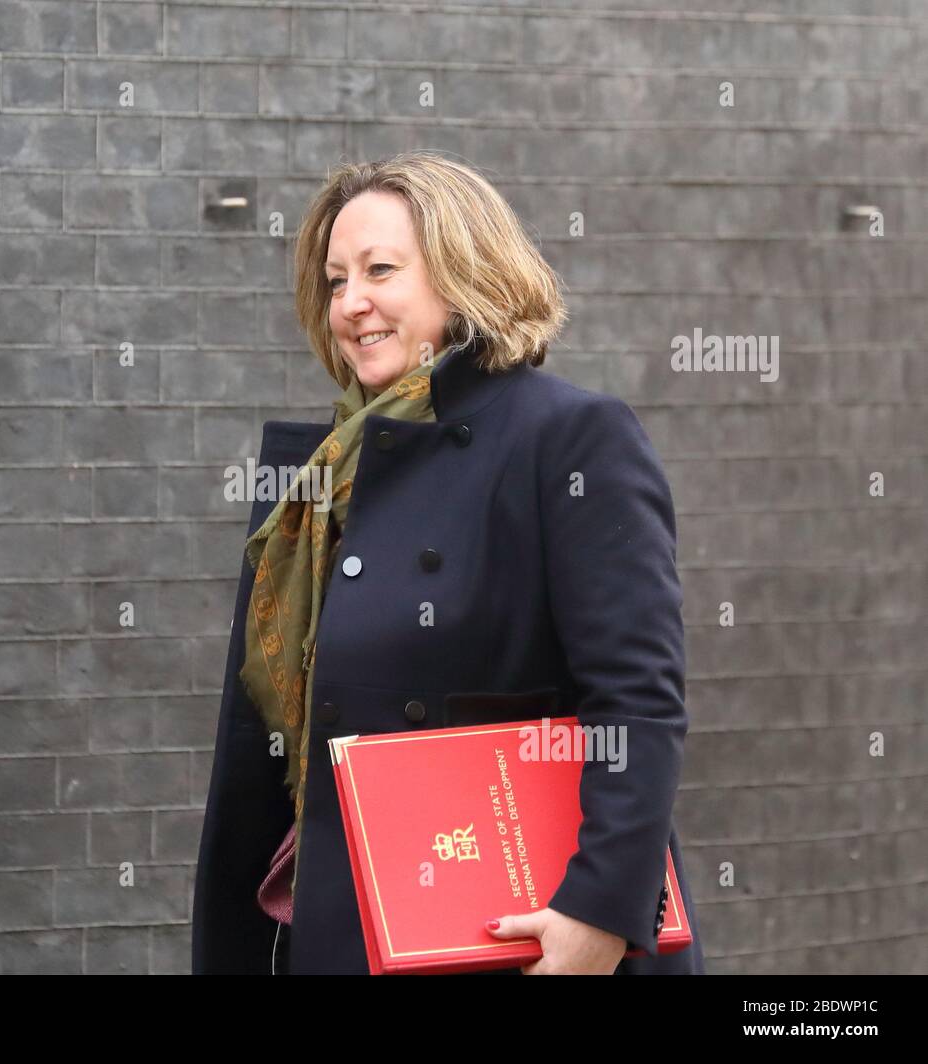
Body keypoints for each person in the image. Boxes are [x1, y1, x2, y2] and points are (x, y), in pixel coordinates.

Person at [192, 151, 705, 975]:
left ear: (463, 272)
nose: (350, 303)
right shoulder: (328, 474)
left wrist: (599, 915)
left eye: (380, 270)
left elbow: (637, 701)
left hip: (518, 939)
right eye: (334, 280)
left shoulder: (569, 438)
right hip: (341, 933)